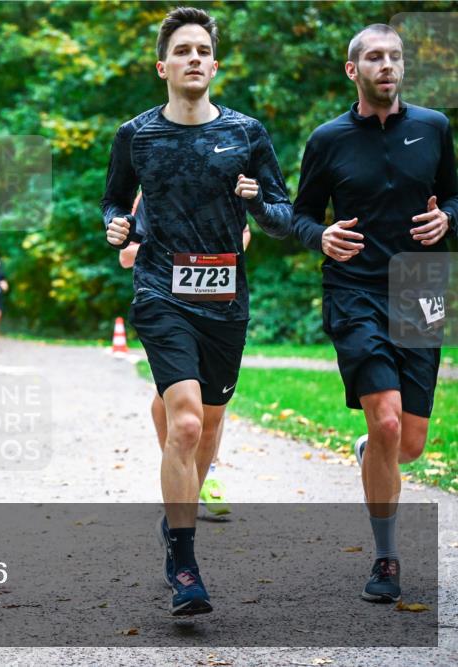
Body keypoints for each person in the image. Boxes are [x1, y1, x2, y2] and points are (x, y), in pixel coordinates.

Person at [101, 6, 292, 616]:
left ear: (215, 64)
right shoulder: (137, 135)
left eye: (202, 51)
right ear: (164, 65)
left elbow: (283, 216)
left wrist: (258, 201)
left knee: (207, 428)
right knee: (183, 424)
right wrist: (116, 225)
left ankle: (175, 516)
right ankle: (184, 566)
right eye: (182, 50)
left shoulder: (246, 134)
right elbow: (110, 201)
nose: (193, 59)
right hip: (162, 291)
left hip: (225, 299)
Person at [291, 24, 457, 603]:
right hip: (355, 286)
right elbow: (301, 214)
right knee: (385, 420)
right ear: (352, 70)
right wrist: (321, 236)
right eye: (375, 58)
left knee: (407, 442)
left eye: (395, 57)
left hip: (421, 285)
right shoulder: (328, 139)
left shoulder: (434, 128)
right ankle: (386, 559)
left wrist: (449, 220)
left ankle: (374, 453)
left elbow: (454, 194)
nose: (387, 66)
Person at [119, 191, 251, 521]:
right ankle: (184, 467)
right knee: (177, 405)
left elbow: (244, 233)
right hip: (168, 305)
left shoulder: (222, 178)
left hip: (218, 307)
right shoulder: (153, 184)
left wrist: (216, 256)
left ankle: (197, 470)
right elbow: (126, 255)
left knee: (211, 405)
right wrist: (171, 260)